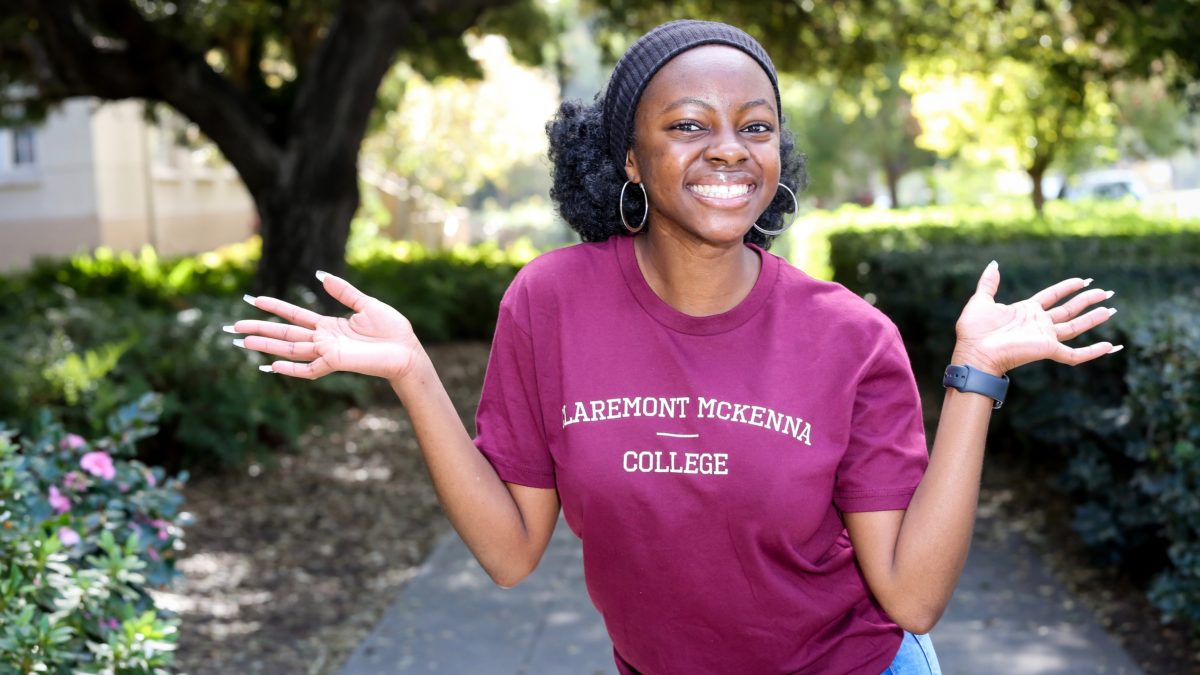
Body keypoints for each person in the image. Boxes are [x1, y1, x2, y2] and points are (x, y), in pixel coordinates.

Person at [224, 19, 1120, 675]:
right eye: (688, 124)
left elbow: (912, 597)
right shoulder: (551, 302)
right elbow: (509, 553)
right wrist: (415, 373)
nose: (728, 149)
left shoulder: (849, 335)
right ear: (629, 159)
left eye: (755, 126)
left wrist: (975, 377)